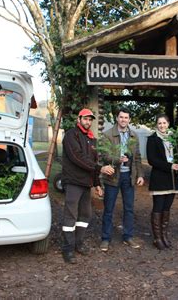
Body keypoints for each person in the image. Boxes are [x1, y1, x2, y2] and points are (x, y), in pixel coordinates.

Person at [61, 108, 115, 264]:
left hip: (86, 183)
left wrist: (97, 183)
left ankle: (79, 244)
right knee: (70, 215)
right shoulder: (71, 135)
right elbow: (78, 158)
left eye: (90, 119)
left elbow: (93, 163)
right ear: (79, 119)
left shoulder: (91, 139)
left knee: (85, 215)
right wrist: (100, 169)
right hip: (73, 182)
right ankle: (68, 249)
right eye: (85, 119)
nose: (88, 122)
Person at [100, 107, 144, 252]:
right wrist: (117, 159)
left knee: (129, 208)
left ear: (129, 120)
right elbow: (104, 155)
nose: (123, 119)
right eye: (121, 117)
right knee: (109, 208)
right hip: (113, 176)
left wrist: (140, 175)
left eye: (126, 117)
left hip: (128, 176)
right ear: (117, 118)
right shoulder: (107, 135)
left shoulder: (134, 136)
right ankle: (105, 239)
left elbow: (137, 157)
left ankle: (128, 236)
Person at [146, 114, 178, 250]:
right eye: (159, 123)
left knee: (167, 208)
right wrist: (169, 166)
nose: (162, 125)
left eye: (164, 123)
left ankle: (164, 235)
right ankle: (157, 238)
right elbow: (152, 160)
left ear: (168, 124)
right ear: (156, 125)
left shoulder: (173, 138)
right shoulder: (152, 139)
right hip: (159, 178)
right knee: (158, 207)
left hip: (172, 179)